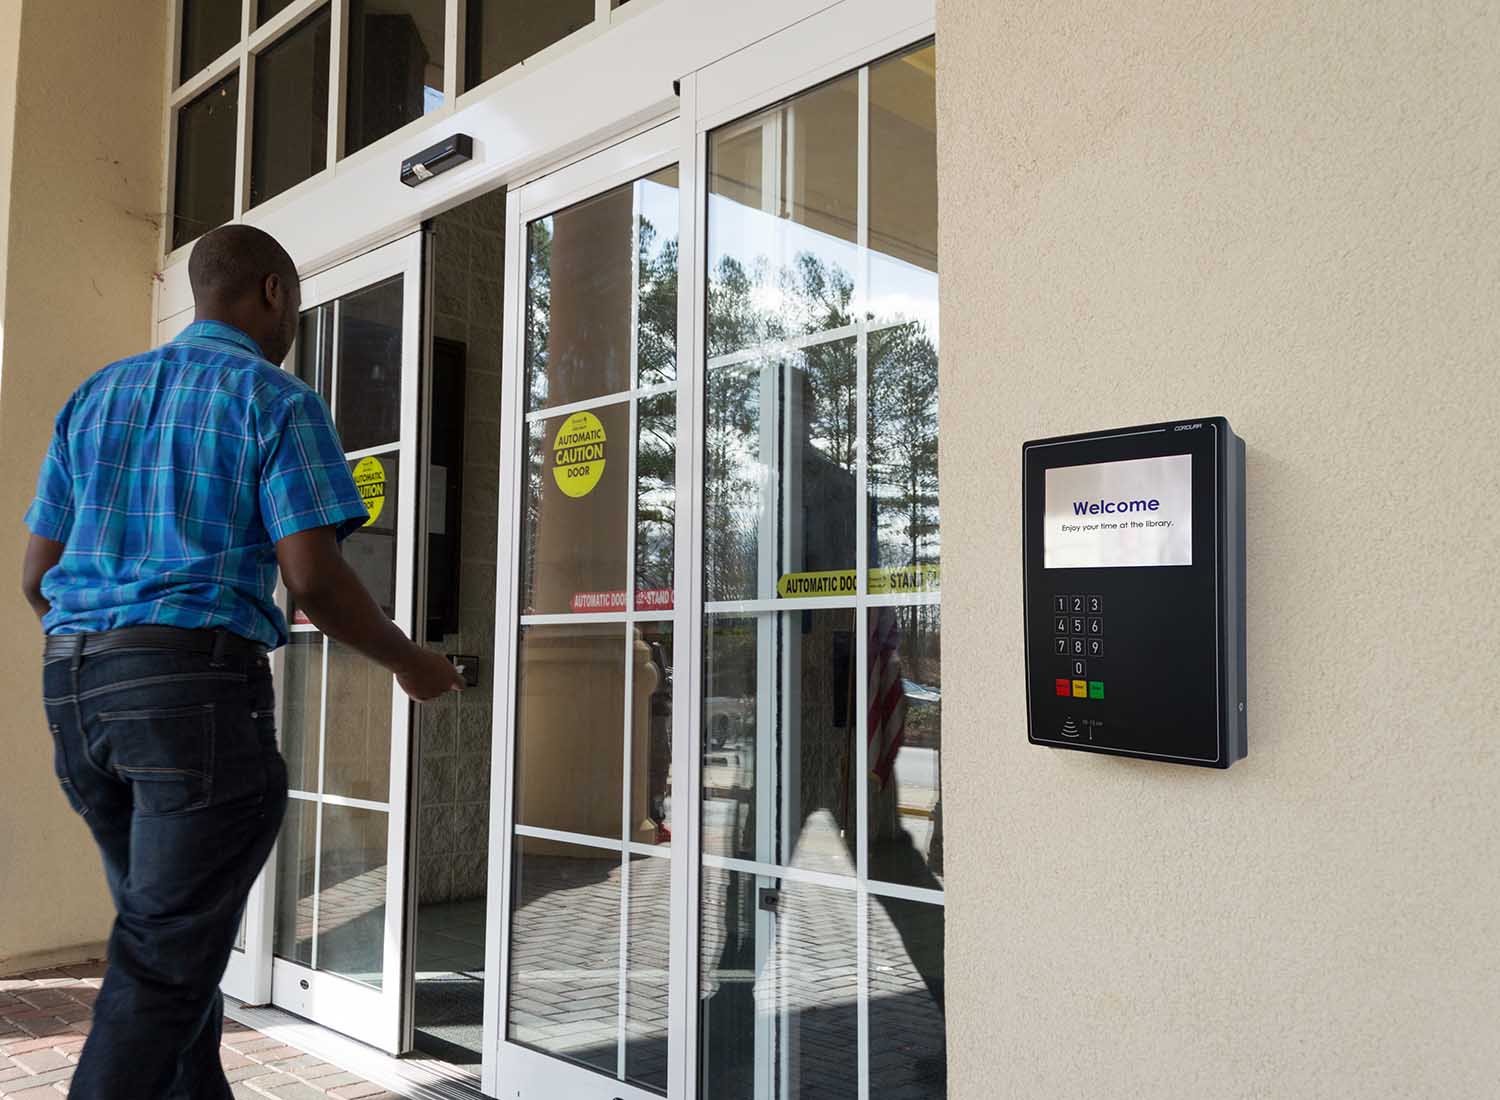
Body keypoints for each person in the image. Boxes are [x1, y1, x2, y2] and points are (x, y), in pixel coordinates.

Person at [21, 224, 464, 1100]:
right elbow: (315, 581)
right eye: (293, 303)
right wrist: (411, 661)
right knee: (161, 964)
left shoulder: (94, 397)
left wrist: (103, 645)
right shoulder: (274, 400)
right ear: (272, 293)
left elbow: (37, 576)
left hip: (75, 690)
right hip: (190, 696)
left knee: (170, 942)